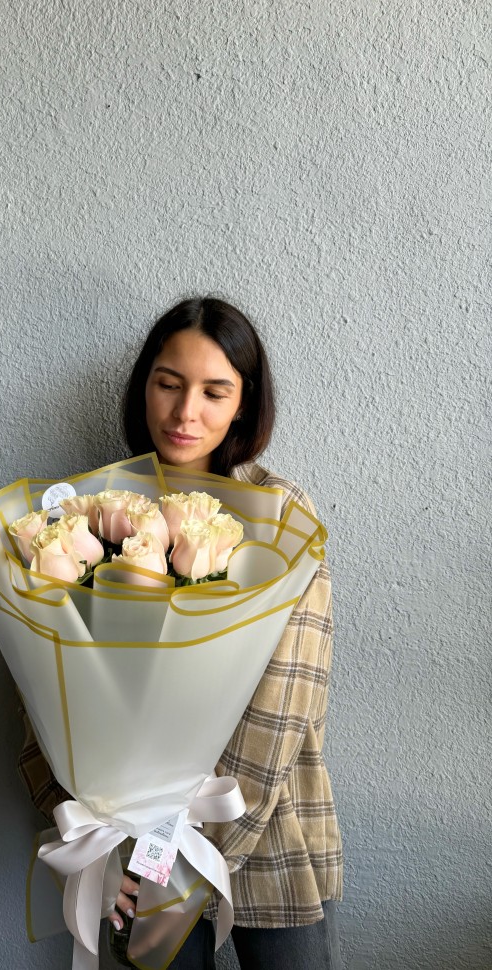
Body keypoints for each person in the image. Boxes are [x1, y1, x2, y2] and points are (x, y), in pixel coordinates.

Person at [19, 296, 343, 969]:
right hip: (135, 843)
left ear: (244, 406)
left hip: (266, 827)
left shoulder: (282, 514)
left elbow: (290, 696)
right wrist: (90, 814)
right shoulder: (97, 515)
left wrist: (187, 846)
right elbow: (53, 667)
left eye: (213, 391)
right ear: (144, 386)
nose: (185, 411)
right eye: (168, 384)